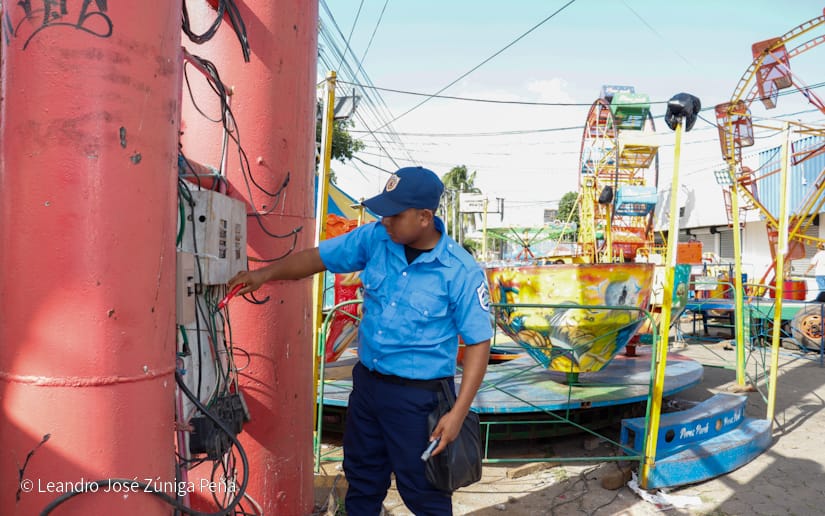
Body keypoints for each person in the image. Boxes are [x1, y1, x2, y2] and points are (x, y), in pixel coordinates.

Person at [228, 166, 493, 515]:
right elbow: (317, 258)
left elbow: (479, 343)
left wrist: (458, 414)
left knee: (425, 493)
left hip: (420, 401)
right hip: (368, 388)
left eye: (395, 215)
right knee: (363, 483)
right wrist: (263, 274)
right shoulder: (374, 239)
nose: (385, 221)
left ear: (425, 217)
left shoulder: (460, 270)